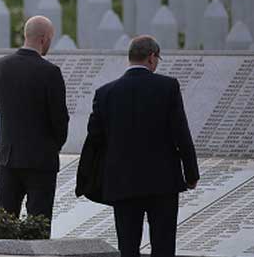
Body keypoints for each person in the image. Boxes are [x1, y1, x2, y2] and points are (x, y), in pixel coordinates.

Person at [81, 35, 199, 257]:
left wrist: (95, 179)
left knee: (128, 248)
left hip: (122, 182)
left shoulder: (105, 93)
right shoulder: (167, 87)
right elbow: (181, 133)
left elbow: (95, 137)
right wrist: (191, 174)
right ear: (152, 57)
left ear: (131, 58)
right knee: (163, 248)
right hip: (163, 182)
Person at [0, 15, 69, 237]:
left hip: (7, 158)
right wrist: (53, 146)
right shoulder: (50, 72)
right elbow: (59, 119)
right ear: (44, 39)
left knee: (4, 227)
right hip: (40, 160)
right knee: (38, 226)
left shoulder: (1, 66)